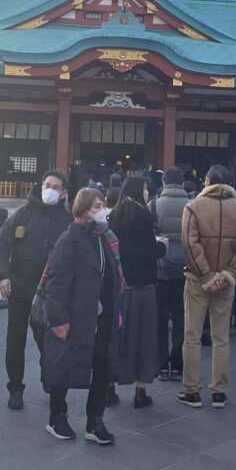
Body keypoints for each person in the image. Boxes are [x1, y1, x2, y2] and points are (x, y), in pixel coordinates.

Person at [41, 188, 122, 444]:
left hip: (103, 315)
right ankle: (57, 416)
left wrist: (115, 308)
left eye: (103, 206)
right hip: (75, 315)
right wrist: (59, 319)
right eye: (97, 207)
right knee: (63, 366)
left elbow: (113, 275)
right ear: (83, 209)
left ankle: (95, 420)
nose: (103, 211)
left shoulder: (106, 238)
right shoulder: (69, 239)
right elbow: (56, 283)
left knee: (101, 366)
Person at [0, 169, 73, 410]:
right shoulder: (23, 214)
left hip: (49, 292)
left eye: (55, 187)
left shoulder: (67, 221)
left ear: (64, 193)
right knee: (15, 340)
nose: (49, 189)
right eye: (46, 184)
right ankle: (15, 387)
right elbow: (2, 243)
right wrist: (3, 276)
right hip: (19, 287)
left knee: (46, 339)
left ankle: (48, 376)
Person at [178, 165, 236, 409]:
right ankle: (219, 392)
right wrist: (229, 273)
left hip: (196, 278)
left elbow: (190, 244)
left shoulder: (193, 207)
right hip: (226, 280)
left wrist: (206, 274)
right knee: (221, 337)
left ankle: (192, 391)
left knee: (192, 335)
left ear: (208, 181)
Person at [109, 176, 167, 407]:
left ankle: (108, 387)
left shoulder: (115, 215)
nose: (147, 194)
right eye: (144, 190)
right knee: (143, 337)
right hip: (142, 285)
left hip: (120, 285)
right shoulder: (141, 216)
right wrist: (162, 245)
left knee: (117, 338)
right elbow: (148, 251)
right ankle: (140, 391)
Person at [150, 167, 190, 380]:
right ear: (182, 183)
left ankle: (162, 365)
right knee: (181, 318)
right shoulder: (192, 205)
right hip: (185, 268)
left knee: (160, 319)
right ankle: (177, 365)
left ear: (164, 183)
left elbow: (148, 235)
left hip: (161, 267)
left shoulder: (154, 205)